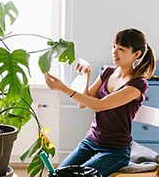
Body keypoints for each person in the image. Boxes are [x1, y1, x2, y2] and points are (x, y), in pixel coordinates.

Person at [45, 28, 156, 177]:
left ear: (136, 54)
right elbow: (83, 103)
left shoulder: (138, 84)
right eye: (114, 47)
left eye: (121, 49)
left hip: (114, 151)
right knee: (58, 174)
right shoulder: (107, 73)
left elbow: (100, 105)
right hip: (89, 142)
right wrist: (85, 77)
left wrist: (64, 89)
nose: (114, 52)